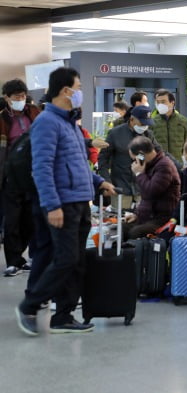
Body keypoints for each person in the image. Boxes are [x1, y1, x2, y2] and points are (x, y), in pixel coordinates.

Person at [16, 67, 116, 336]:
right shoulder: (47, 122)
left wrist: (98, 183)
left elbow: (78, 163)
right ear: (65, 91)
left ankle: (63, 316)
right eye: (79, 87)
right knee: (65, 260)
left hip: (80, 201)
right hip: (63, 203)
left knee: (75, 262)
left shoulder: (70, 123)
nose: (81, 92)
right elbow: (42, 167)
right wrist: (52, 205)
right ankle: (30, 304)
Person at [1, 79, 40, 277]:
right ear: (7, 98)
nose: (21, 99)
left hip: (34, 173)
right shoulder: (2, 119)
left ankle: (21, 257)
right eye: (17, 97)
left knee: (30, 219)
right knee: (12, 220)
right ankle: (13, 260)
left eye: (23, 96)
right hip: (11, 175)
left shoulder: (34, 113)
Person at [98, 105, 160, 210]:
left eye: (147, 124)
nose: (145, 126)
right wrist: (107, 182)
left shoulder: (148, 135)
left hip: (141, 190)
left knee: (141, 221)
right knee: (120, 223)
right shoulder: (115, 134)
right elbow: (103, 159)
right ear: (132, 120)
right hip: (120, 190)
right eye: (142, 123)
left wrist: (177, 166)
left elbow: (160, 154)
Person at [124, 136, 181, 240]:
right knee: (120, 228)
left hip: (163, 218)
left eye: (135, 159)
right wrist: (137, 214)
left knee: (135, 233)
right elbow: (146, 198)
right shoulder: (149, 165)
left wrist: (139, 174)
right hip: (149, 215)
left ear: (141, 154)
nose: (134, 163)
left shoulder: (164, 165)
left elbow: (151, 191)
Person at [152, 89, 187, 162]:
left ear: (172, 103)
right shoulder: (152, 122)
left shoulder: (184, 122)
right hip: (158, 165)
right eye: (158, 102)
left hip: (179, 165)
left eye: (163, 102)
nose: (160, 105)